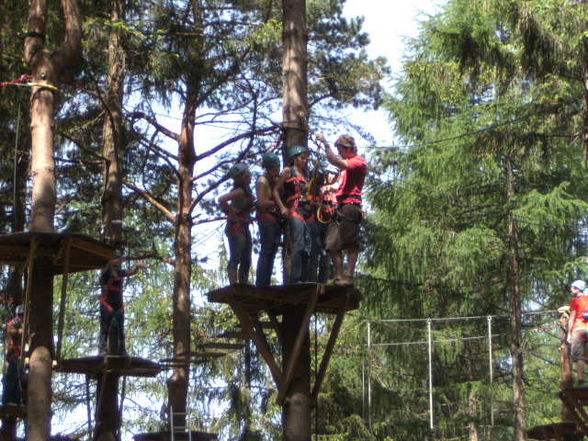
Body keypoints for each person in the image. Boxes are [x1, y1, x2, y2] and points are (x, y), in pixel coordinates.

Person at [316, 133, 367, 286]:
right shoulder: (343, 170)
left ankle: (349, 276)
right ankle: (339, 277)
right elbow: (338, 184)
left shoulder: (358, 162)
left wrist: (325, 143)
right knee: (332, 243)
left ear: (347, 148)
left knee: (350, 242)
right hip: (340, 206)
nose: (338, 152)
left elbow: (335, 161)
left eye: (340, 149)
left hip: (351, 206)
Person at [273, 145, 315, 284]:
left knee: (309, 245)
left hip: (308, 210)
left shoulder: (307, 175)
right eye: (302, 157)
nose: (305, 160)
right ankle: (295, 278)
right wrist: (282, 207)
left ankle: (305, 278)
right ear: (295, 158)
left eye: (306, 158)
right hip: (294, 210)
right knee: (299, 244)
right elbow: (275, 191)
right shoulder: (287, 171)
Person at [99, 257, 145, 356]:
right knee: (104, 329)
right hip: (107, 304)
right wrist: (111, 261)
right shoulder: (106, 272)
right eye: (116, 261)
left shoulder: (120, 272)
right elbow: (106, 268)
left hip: (118, 306)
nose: (118, 263)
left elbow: (132, 272)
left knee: (120, 329)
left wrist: (137, 267)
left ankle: (122, 350)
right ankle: (102, 350)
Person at [219, 163, 255, 285]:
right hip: (236, 227)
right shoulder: (239, 191)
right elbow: (221, 199)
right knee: (236, 256)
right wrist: (231, 212)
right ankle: (234, 284)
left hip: (244, 226)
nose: (250, 176)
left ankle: (243, 282)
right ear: (242, 177)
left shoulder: (246, 190)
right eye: (247, 174)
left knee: (246, 258)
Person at [255, 153, 282, 286]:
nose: (278, 169)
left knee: (272, 250)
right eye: (277, 167)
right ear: (271, 167)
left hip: (274, 219)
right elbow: (261, 202)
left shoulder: (273, 180)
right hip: (266, 218)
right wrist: (276, 202)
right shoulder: (263, 181)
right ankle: (261, 282)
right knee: (267, 249)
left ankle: (265, 282)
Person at [2, 304, 25, 406]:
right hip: (13, 353)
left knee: (19, 376)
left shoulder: (23, 323)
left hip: (18, 353)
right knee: (13, 376)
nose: (22, 317)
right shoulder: (15, 322)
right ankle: (9, 400)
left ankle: (18, 399)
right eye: (21, 315)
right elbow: (10, 330)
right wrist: (20, 332)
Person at [567, 279, 588, 386]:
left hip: (578, 330)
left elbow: (571, 318)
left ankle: (581, 382)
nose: (571, 289)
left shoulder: (575, 301)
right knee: (586, 356)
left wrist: (569, 334)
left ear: (577, 289)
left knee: (579, 357)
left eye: (572, 287)